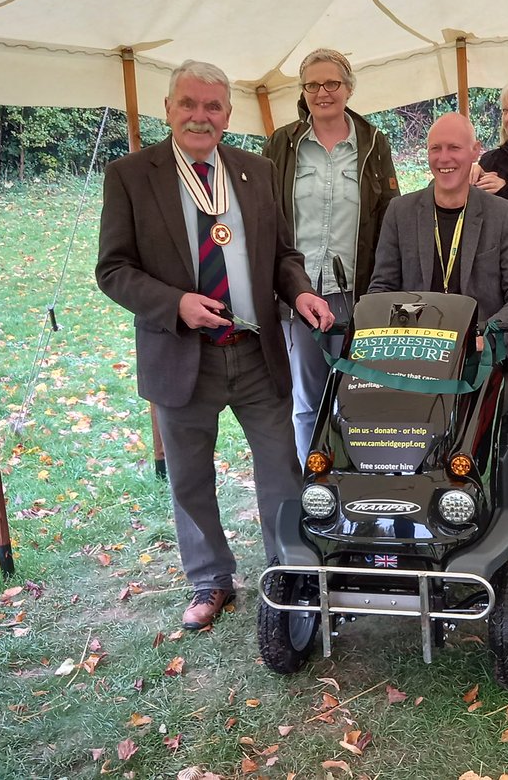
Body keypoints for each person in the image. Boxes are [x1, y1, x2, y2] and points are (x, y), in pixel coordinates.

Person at [96, 60, 335, 630]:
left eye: (213, 107)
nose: (201, 116)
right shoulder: (132, 175)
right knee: (189, 476)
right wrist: (175, 303)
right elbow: (114, 269)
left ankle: (287, 570)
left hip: (255, 351)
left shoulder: (254, 171)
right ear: (169, 109)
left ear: (229, 114)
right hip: (182, 354)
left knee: (281, 467)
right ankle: (210, 579)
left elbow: (283, 256)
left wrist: (299, 293)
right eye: (189, 104)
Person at [262, 49, 400, 459]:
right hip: (300, 292)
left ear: (349, 88)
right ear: (303, 92)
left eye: (332, 84)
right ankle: (314, 485)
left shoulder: (374, 143)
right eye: (313, 85)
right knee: (307, 402)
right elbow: (265, 215)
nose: (323, 93)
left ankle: (357, 480)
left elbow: (388, 217)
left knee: (360, 397)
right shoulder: (282, 144)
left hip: (356, 290)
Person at [368, 112, 508, 383]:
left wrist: (489, 336)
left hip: (485, 357)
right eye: (435, 148)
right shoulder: (400, 211)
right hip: (416, 355)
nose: (444, 158)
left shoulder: (503, 214)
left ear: (475, 151)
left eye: (454, 148)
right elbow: (381, 289)